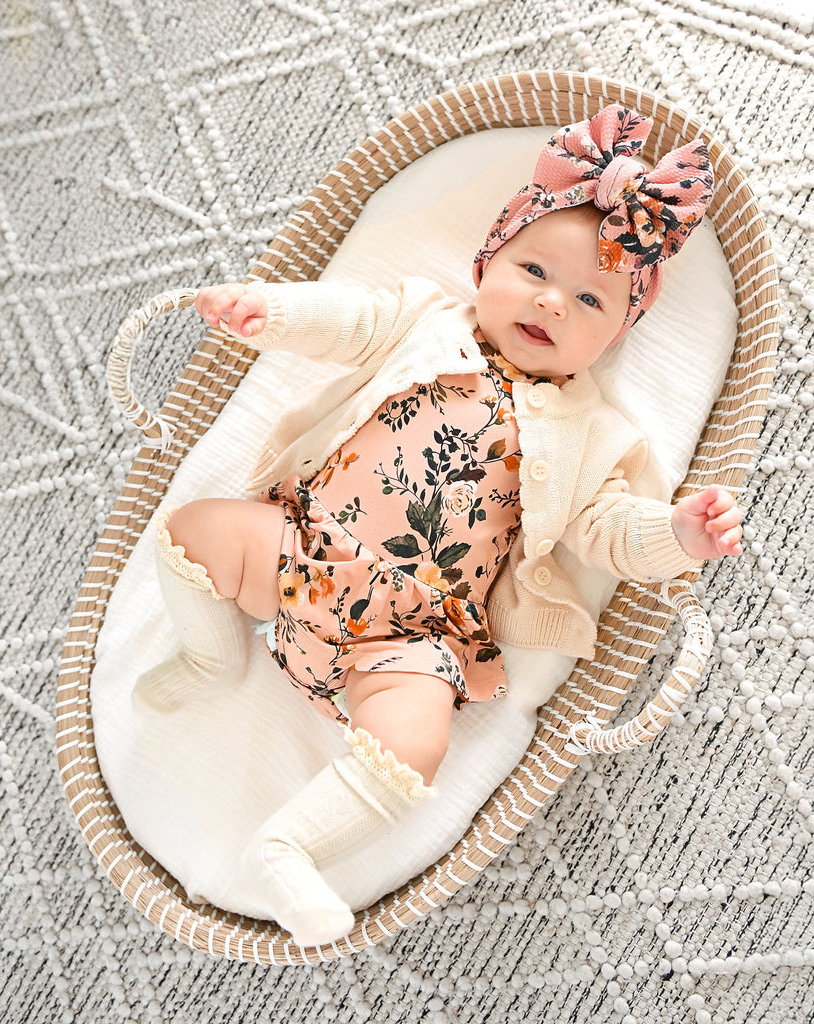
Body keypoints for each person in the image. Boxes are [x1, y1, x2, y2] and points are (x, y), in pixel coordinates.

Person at [134, 105, 743, 946]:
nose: (552, 301)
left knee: (418, 738)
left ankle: (289, 848)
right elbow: (349, 321)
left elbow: (605, 529)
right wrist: (267, 311)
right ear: (488, 259)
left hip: (412, 633)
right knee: (192, 530)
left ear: (614, 335)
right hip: (301, 548)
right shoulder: (426, 320)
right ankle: (210, 652)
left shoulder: (591, 431)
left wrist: (677, 533)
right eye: (533, 269)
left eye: (590, 299)